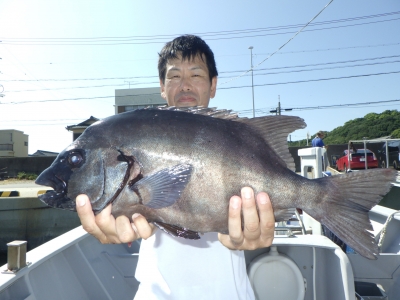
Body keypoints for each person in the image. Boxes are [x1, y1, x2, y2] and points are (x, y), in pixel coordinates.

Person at [76, 35, 276, 299]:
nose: (185, 86)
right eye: (173, 77)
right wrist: (113, 213)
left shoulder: (239, 140)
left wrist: (260, 230)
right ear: (162, 86)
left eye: (196, 75)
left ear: (213, 85)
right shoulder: (136, 139)